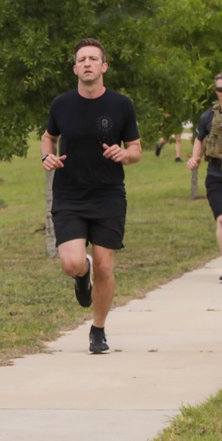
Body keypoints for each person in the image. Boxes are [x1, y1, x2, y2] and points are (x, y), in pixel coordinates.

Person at [41, 38, 142, 354]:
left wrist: (124, 154)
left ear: (103, 66)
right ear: (75, 68)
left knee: (105, 266)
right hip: (69, 193)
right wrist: (47, 157)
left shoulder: (121, 105)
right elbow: (49, 137)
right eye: (81, 59)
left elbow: (137, 149)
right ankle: (80, 275)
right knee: (72, 264)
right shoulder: (61, 104)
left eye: (93, 58)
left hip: (108, 194)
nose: (87, 63)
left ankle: (98, 330)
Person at [186, 71, 222, 283]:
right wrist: (195, 158)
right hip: (218, 175)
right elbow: (199, 137)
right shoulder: (208, 117)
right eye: (221, 89)